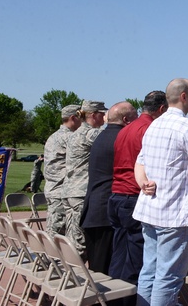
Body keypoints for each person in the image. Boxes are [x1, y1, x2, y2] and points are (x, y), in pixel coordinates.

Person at [132, 79, 188, 306]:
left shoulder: (153, 125)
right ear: (184, 96)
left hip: (150, 209)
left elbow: (141, 163)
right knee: (168, 276)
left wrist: (143, 182)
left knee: (150, 269)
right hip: (174, 213)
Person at [108, 90, 167, 299]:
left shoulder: (124, 129)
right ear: (162, 109)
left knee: (120, 255)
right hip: (134, 196)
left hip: (117, 195)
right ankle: (133, 300)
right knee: (137, 258)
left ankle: (116, 299)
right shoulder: (150, 129)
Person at [81, 101, 137, 273]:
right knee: (105, 273)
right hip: (105, 212)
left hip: (95, 209)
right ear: (126, 120)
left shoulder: (102, 136)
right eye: (135, 118)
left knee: (99, 268)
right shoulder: (120, 139)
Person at [65, 100, 108, 255]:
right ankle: (77, 277)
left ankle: (71, 274)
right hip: (81, 192)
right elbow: (111, 140)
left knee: (73, 237)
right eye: (102, 114)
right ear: (92, 115)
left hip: (71, 190)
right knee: (81, 243)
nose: (104, 118)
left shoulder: (75, 133)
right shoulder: (91, 133)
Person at [43, 104, 82, 237]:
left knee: (55, 229)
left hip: (52, 188)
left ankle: (51, 257)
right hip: (60, 190)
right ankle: (52, 258)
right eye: (80, 117)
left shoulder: (54, 136)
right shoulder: (69, 137)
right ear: (73, 118)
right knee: (57, 232)